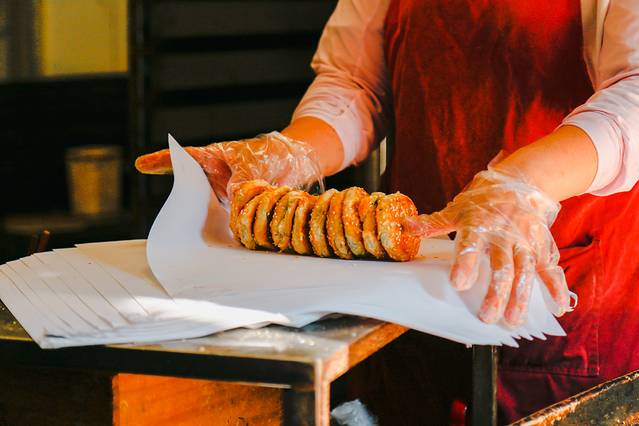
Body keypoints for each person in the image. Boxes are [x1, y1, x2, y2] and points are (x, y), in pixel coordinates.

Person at [136, 0, 639, 422]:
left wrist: (524, 182)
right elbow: (355, 84)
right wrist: (289, 152)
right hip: (411, 290)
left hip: (565, 295)